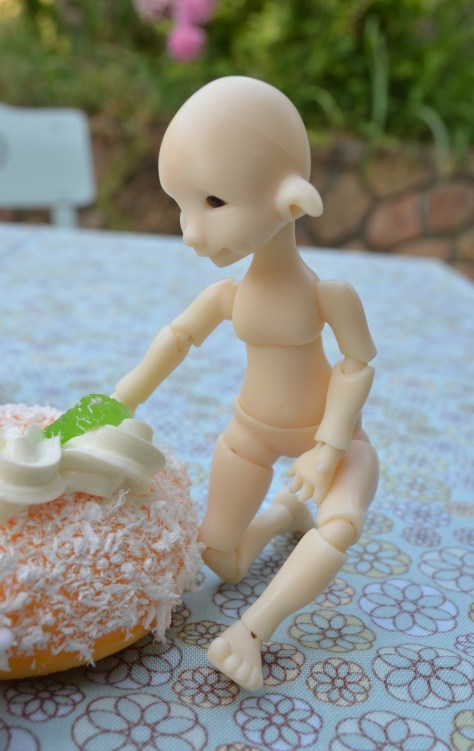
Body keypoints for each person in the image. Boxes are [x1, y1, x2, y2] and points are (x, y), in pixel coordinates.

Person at [113, 76, 379, 691]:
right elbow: (177, 338)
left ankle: (251, 633)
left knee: (340, 525)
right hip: (249, 436)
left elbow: (357, 364)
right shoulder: (227, 295)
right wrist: (125, 396)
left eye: (213, 202)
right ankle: (282, 514)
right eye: (181, 205)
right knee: (222, 558)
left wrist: (329, 448)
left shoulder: (329, 294)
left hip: (331, 443)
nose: (190, 231)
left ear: (292, 202)